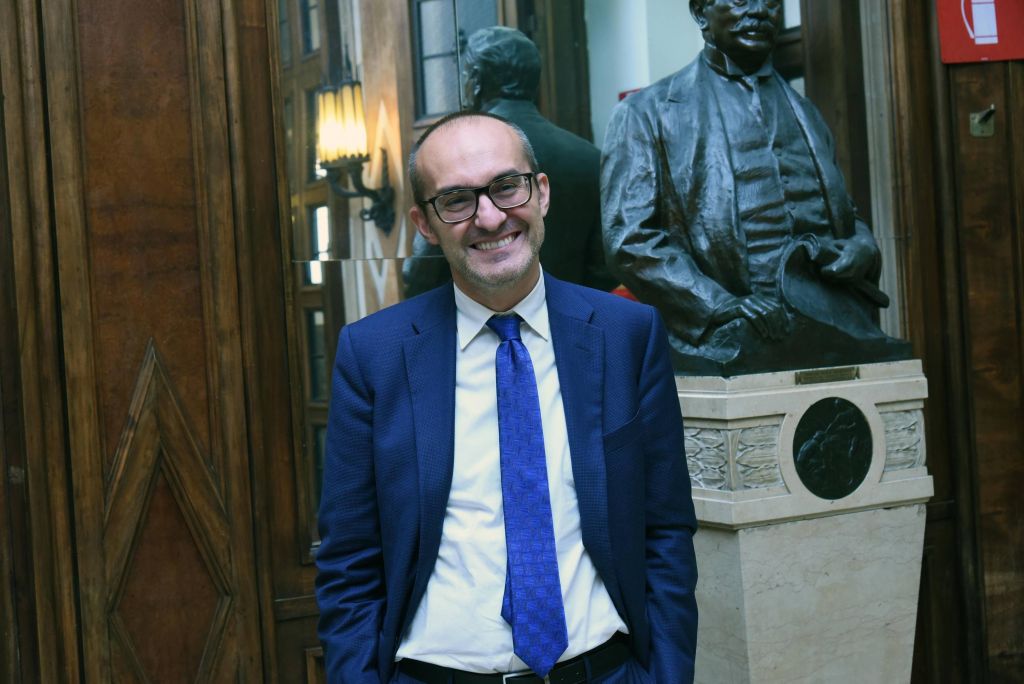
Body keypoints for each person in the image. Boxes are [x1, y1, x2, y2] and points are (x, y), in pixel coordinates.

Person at [317, 111, 698, 683]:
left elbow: (665, 530)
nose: (490, 217)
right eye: (456, 200)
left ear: (540, 192)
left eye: (506, 186)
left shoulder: (627, 337)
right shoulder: (373, 355)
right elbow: (349, 560)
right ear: (425, 224)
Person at [601, 0, 909, 375]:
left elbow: (846, 213)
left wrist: (862, 246)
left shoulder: (806, 111)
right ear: (700, 12)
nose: (759, 11)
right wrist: (718, 304)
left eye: (771, 1)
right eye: (741, 0)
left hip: (833, 318)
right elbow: (630, 240)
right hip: (735, 329)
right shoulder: (646, 114)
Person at [402, 26, 616, 298]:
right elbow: (605, 267)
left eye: (465, 75)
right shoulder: (590, 157)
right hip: (567, 312)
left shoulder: (454, 157)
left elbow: (421, 272)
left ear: (475, 80)